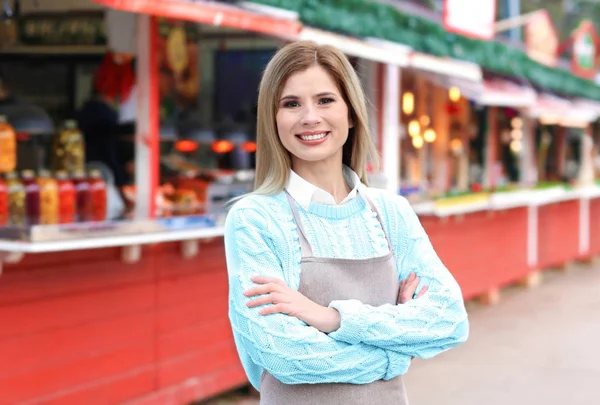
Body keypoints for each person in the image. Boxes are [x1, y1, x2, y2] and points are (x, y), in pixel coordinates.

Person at [224, 41, 469, 405]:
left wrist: (333, 319)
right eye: (291, 104)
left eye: (325, 100)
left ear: (351, 113)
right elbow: (282, 354)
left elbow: (449, 320)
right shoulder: (255, 219)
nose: (310, 117)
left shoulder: (391, 213)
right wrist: (393, 356)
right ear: (272, 120)